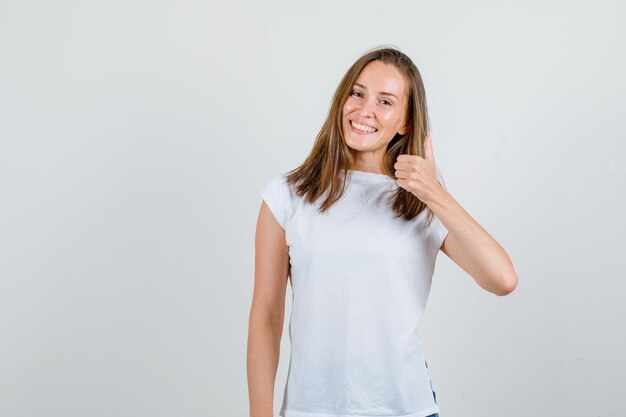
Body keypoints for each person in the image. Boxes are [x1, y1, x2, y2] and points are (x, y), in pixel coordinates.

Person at [247, 46, 519, 417]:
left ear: (405, 122)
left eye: (385, 101)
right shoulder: (287, 195)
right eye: (357, 93)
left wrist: (434, 192)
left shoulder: (419, 201)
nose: (364, 110)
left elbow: (502, 279)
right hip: (310, 409)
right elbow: (266, 316)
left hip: (405, 409)